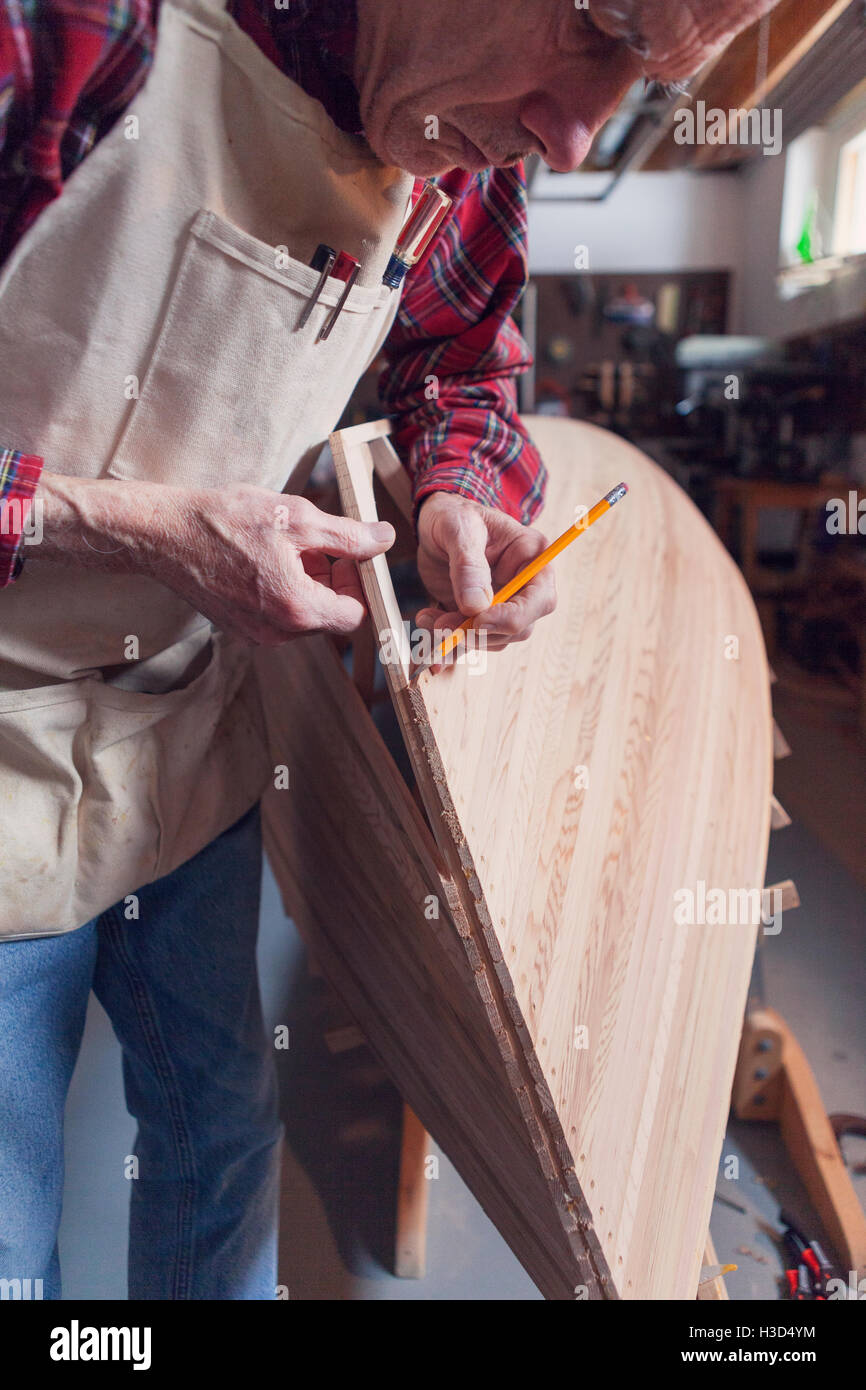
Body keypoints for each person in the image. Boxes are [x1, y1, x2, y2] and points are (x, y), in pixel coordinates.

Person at [0, 0, 779, 1299]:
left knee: (219, 1138)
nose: (577, 133)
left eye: (643, 77)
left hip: (185, 736)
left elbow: (459, 372)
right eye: (594, 26)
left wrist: (461, 488)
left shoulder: (461, 160)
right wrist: (126, 523)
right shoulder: (73, 28)